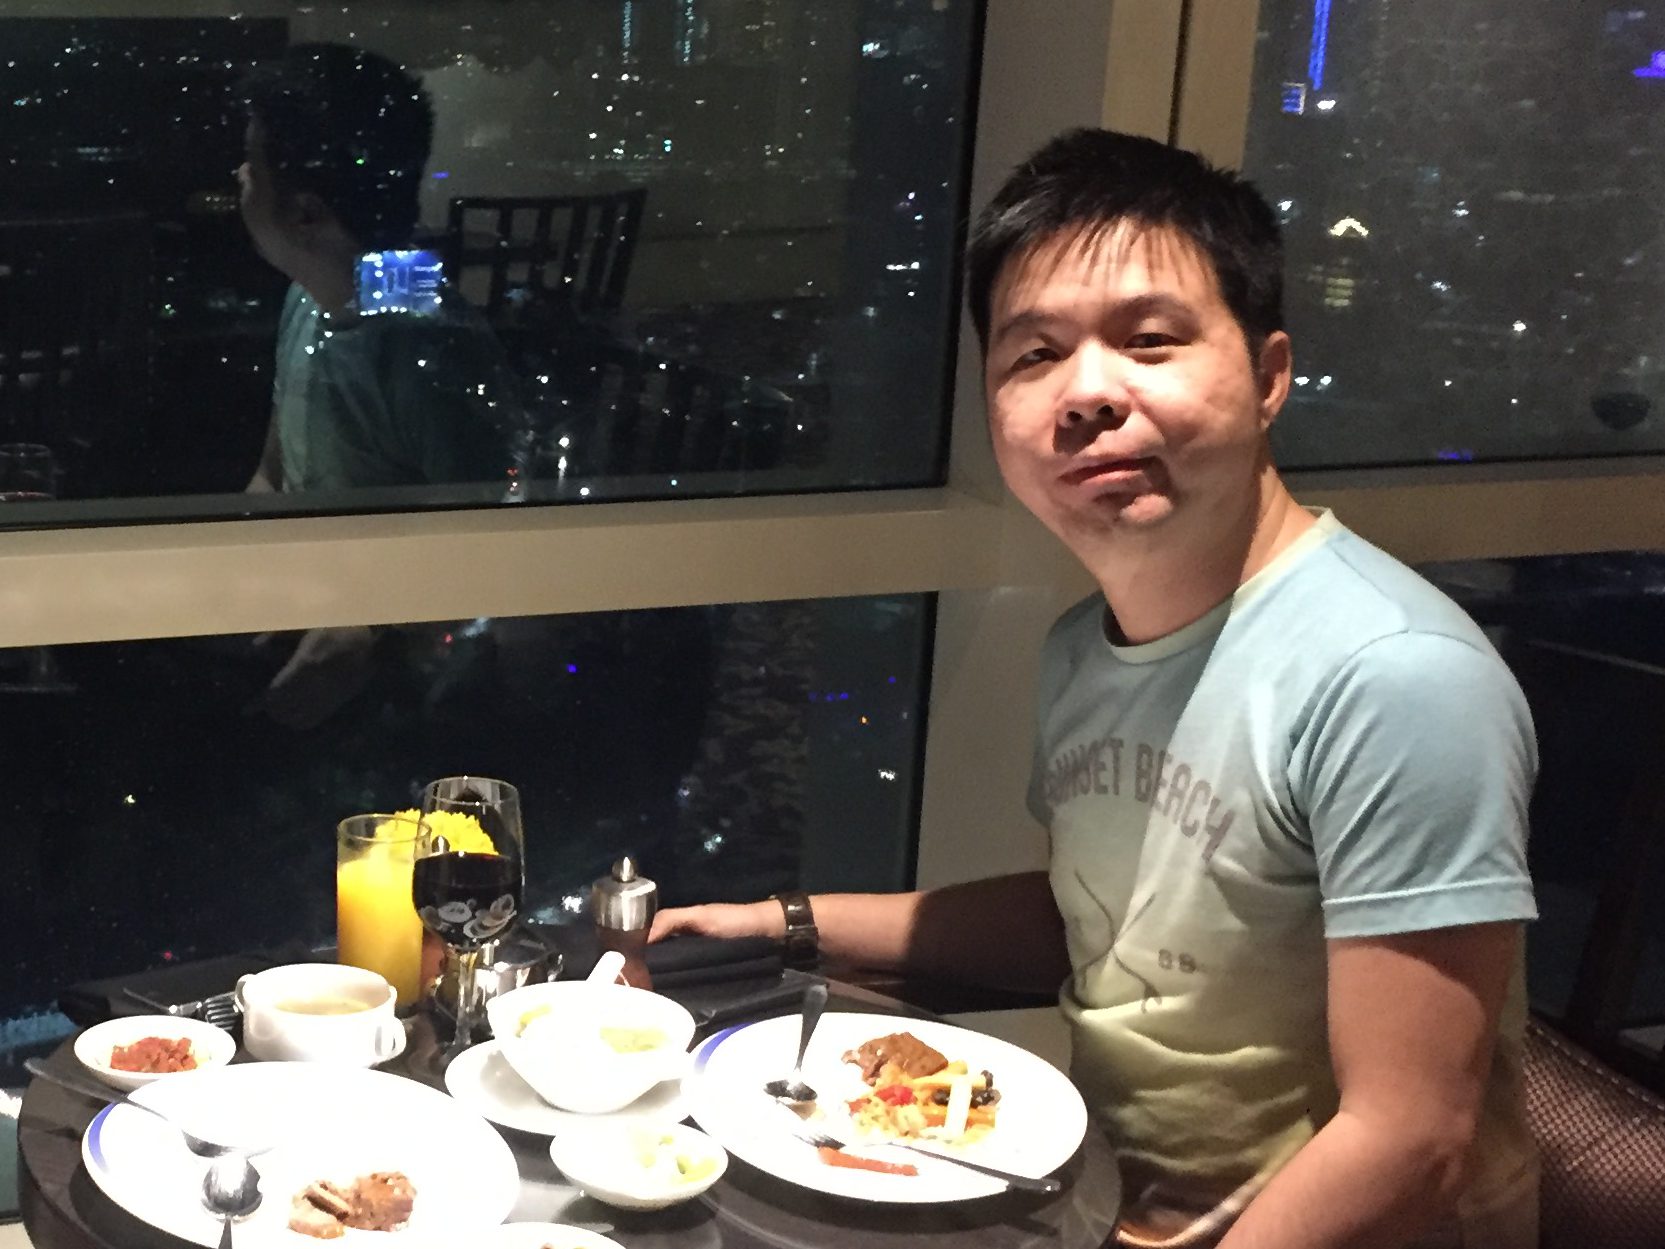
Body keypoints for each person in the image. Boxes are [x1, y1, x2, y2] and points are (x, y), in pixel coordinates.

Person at [651, 129, 1538, 1249]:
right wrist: (783, 925)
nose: (1087, 394)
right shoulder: (1088, 647)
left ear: (1269, 376)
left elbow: (1414, 1136)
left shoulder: (1395, 678)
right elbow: (1098, 921)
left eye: (1150, 340)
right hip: (1097, 1210)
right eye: (1033, 357)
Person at [235, 43, 527, 728]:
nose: (241, 179)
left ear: (306, 214)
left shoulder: (431, 348)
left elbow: (487, 557)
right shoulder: (318, 293)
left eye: (253, 164)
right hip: (319, 605)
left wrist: (365, 635)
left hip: (411, 689)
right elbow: (275, 473)